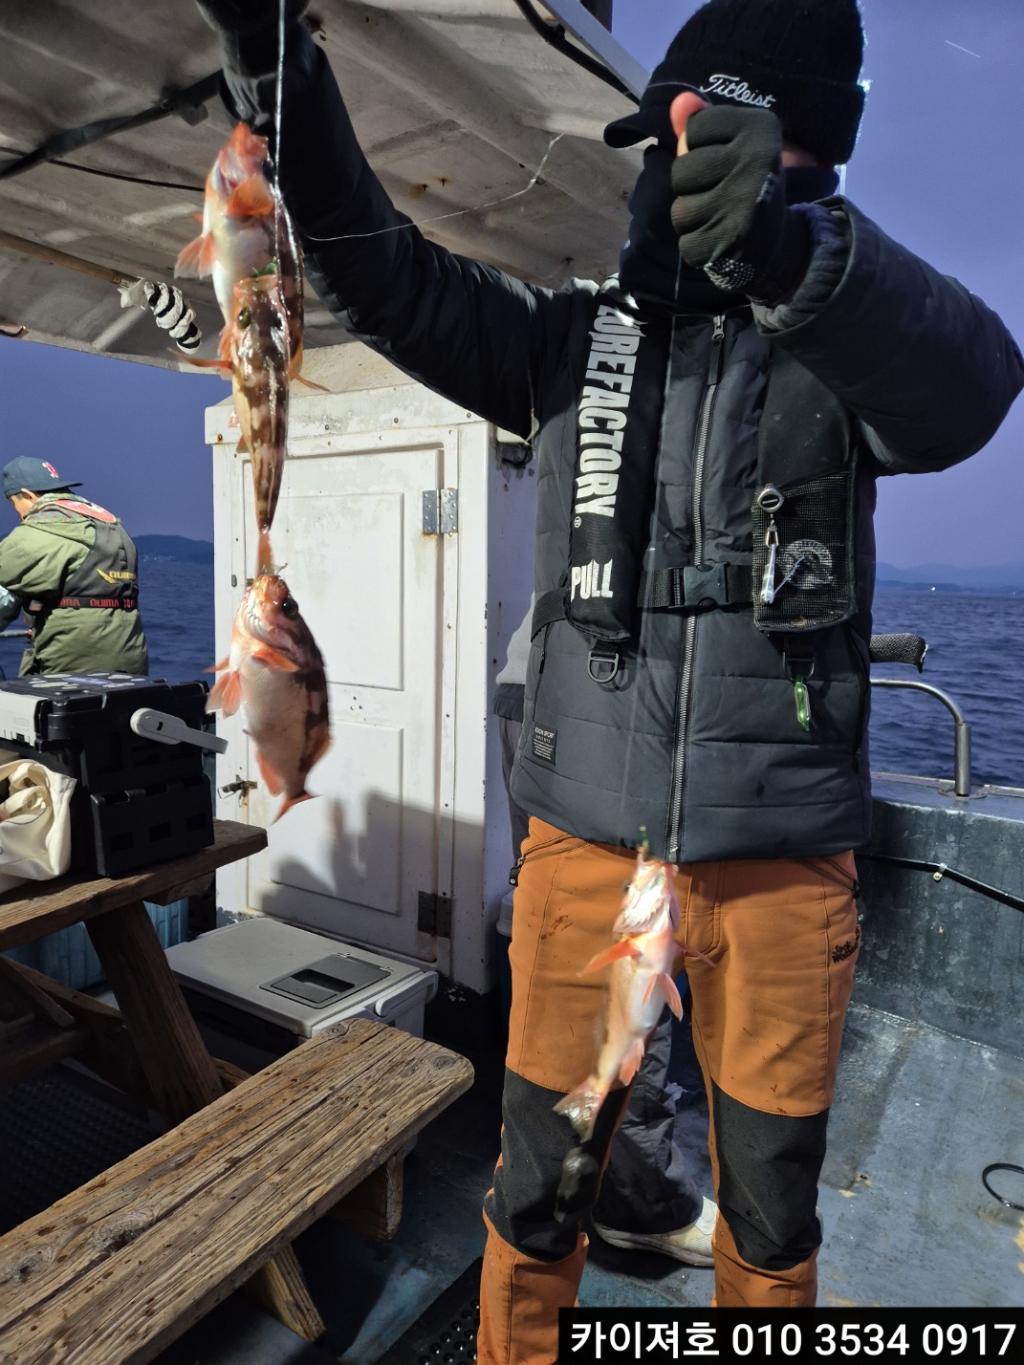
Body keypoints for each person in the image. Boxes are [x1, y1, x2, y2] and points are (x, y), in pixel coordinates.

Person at [195, 0, 1024, 1353]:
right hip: (584, 854)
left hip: (782, 863)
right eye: (658, 143)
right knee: (536, 1194)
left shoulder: (849, 345)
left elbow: (979, 382)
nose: (662, 168)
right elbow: (378, 273)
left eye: (693, 141)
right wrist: (276, 69)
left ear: (791, 151)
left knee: (773, 1215)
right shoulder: (572, 346)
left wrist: (798, 259)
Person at [495, 596, 716, 1265]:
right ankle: (636, 1199)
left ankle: (571, 1160)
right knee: (642, 953)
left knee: (579, 938)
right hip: (618, 713)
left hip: (537, 684)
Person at [0, 458, 148, 676]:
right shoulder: (111, 525)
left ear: (28, 495)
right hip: (131, 661)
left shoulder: (41, 531)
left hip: (71, 667)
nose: (19, 514)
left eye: (15, 504)